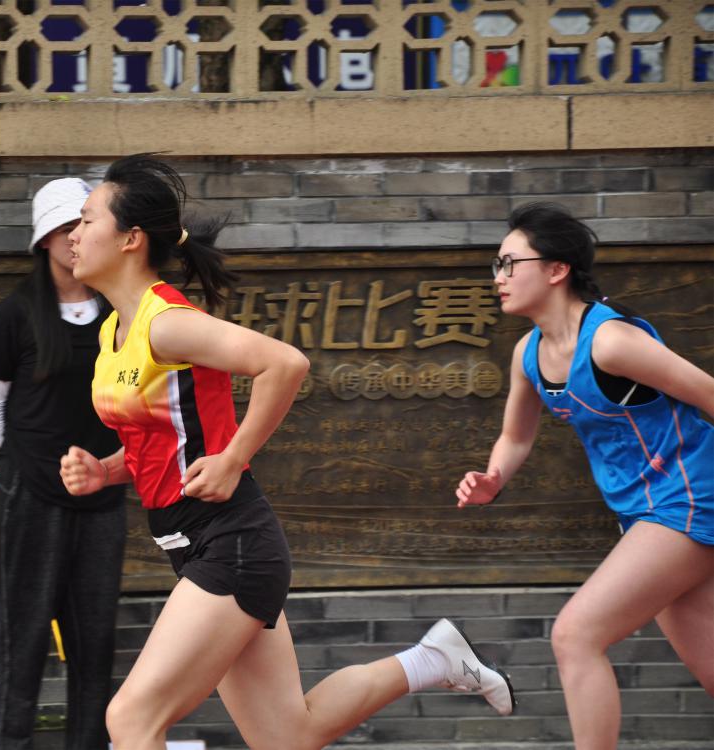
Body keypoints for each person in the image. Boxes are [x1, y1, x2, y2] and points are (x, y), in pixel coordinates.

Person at [58, 154, 514, 750]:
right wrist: (104, 471)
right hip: (196, 543)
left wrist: (232, 459)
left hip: (230, 542)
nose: (73, 235)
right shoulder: (112, 332)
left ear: (130, 239)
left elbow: (285, 364)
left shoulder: (166, 323)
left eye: (87, 220)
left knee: (132, 719)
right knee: (287, 736)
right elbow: (164, 439)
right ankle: (433, 660)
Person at [455, 202, 714, 750]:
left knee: (576, 634)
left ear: (557, 269)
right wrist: (494, 478)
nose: (498, 277)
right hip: (645, 513)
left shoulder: (612, 341)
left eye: (510, 263)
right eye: (496, 265)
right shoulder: (529, 354)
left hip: (691, 498)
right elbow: (516, 437)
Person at [0, 177, 127, 750]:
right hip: (29, 497)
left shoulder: (119, 313)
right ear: (44, 240)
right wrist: (23, 460)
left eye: (83, 224)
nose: (75, 237)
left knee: (94, 642)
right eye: (65, 228)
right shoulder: (15, 314)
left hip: (102, 497)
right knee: (23, 640)